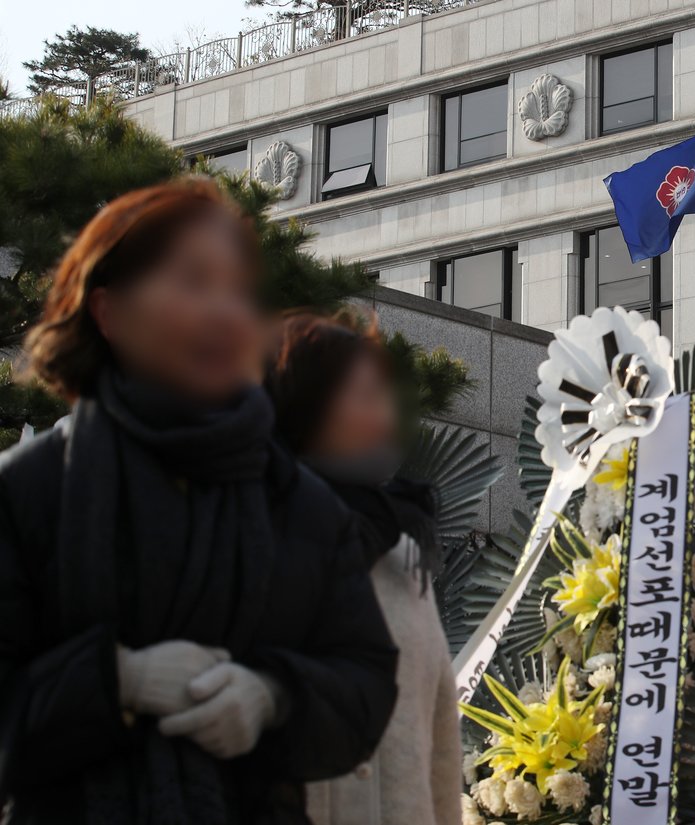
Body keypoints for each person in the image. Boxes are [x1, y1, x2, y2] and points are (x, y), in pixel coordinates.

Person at [0, 178, 399, 824]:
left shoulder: (305, 507)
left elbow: (366, 682)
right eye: (193, 281)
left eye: (236, 290)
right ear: (108, 312)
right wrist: (115, 680)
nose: (226, 311)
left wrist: (271, 696)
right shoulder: (28, 490)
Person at [265, 314, 462, 825]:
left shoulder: (404, 550)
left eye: (385, 393)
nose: (386, 414)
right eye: (365, 395)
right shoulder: (245, 537)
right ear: (302, 405)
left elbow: (441, 738)